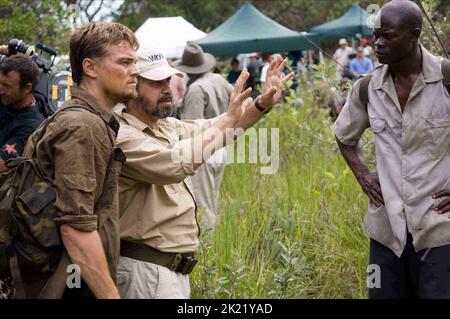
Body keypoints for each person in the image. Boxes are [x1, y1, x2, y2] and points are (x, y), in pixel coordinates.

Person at [114, 47, 294, 299]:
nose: (167, 88)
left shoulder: (164, 125)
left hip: (168, 270)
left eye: (168, 79)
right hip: (145, 271)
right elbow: (176, 164)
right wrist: (227, 122)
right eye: (156, 82)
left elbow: (222, 125)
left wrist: (262, 103)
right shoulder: (123, 135)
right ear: (132, 86)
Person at [2, 22, 139, 299]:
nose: (135, 71)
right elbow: (76, 230)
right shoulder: (82, 126)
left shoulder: (84, 118)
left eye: (134, 62)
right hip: (67, 282)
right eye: (125, 62)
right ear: (90, 68)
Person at [334, 0, 450, 298]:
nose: (378, 43)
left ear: (414, 35)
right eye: (376, 35)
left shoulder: (446, 78)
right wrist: (362, 174)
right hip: (386, 234)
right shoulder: (367, 88)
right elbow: (344, 136)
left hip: (439, 232)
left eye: (388, 35)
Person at [174, 43, 233, 228]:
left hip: (203, 150)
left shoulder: (196, 90)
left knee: (201, 204)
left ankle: (206, 247)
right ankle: (212, 243)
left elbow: (191, 127)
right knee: (212, 199)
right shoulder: (219, 80)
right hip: (220, 146)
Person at [0, 54, 44, 173]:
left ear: (27, 88)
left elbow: (2, 165)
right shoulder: (6, 100)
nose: (1, 89)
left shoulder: (31, 127)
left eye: (6, 85)